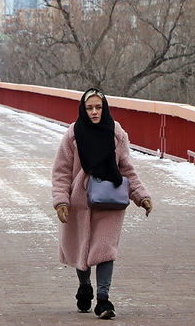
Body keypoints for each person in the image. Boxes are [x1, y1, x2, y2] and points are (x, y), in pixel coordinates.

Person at [51, 88, 152, 319]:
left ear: (105, 108)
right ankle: (85, 286)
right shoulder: (73, 134)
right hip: (80, 202)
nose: (94, 112)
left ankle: (104, 300)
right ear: (83, 109)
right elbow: (61, 172)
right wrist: (61, 201)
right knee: (82, 247)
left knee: (105, 249)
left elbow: (127, 169)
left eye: (98, 107)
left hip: (110, 201)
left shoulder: (117, 134)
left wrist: (141, 195)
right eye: (89, 108)